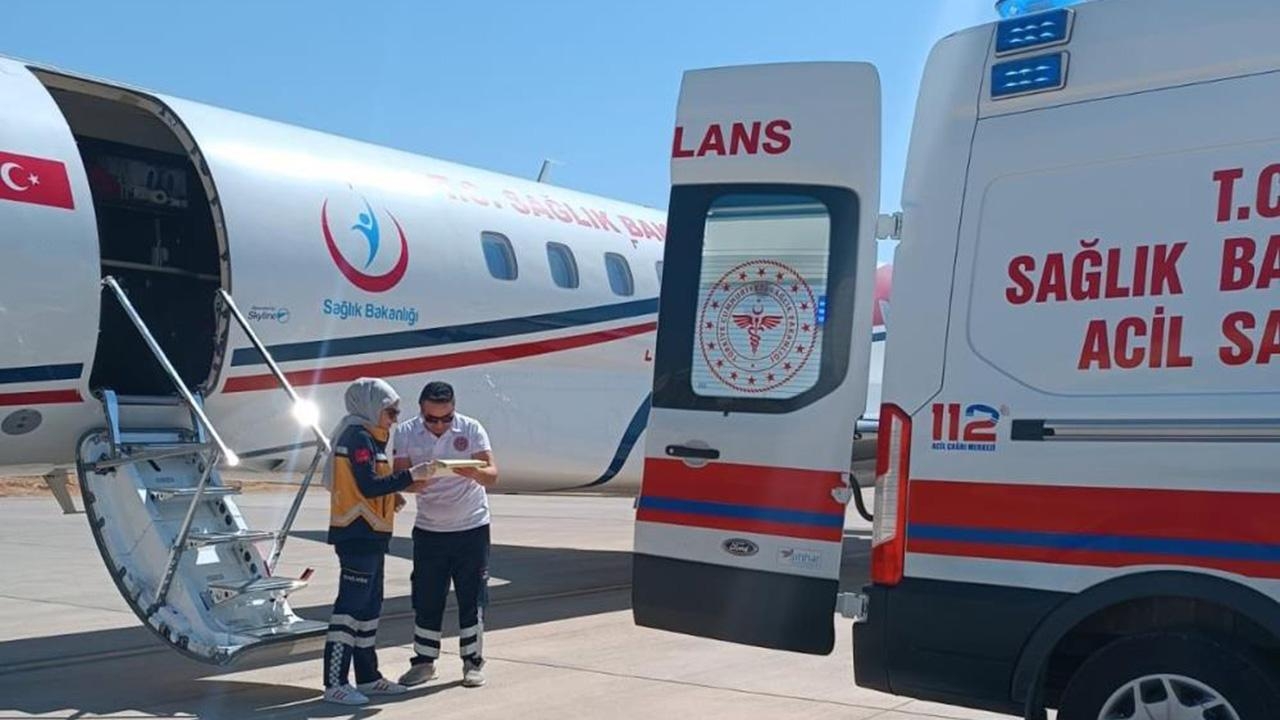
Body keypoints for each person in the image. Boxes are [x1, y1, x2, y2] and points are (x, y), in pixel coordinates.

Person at [320, 377, 432, 706]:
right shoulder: (357, 437)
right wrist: (412, 476)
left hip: (372, 533)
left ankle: (367, 676)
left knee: (369, 608)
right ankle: (334, 681)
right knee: (350, 609)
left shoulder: (370, 437)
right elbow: (368, 486)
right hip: (357, 533)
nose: (394, 419)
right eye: (391, 411)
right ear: (370, 407)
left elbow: (370, 484)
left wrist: (392, 495)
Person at [393, 380, 498, 689]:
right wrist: (415, 481)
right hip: (430, 529)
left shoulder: (471, 428)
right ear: (421, 412)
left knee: (472, 597)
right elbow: (399, 477)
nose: (439, 425)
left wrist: (475, 473)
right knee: (427, 597)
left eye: (445, 418)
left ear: (454, 411)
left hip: (472, 527)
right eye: (432, 419)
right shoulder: (407, 432)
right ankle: (424, 663)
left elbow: (493, 475)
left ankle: (472, 662)